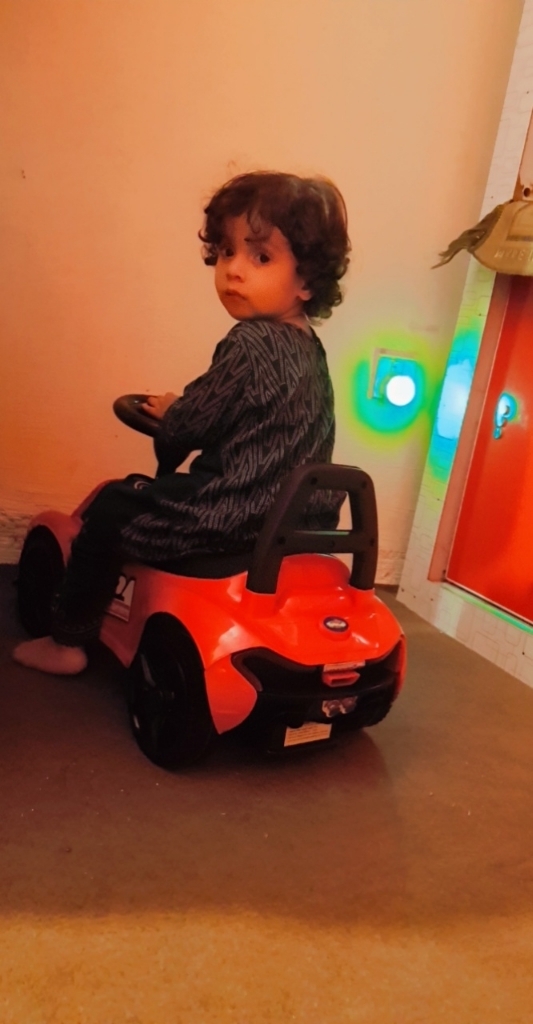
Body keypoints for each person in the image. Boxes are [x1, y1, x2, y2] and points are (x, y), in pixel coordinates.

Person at [13, 170, 351, 675]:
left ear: (307, 281)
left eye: (260, 257)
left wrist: (173, 411)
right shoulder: (310, 351)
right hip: (293, 523)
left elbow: (189, 426)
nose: (234, 270)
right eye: (228, 252)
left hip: (228, 518)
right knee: (148, 493)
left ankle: (67, 641)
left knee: (112, 507)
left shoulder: (250, 343)